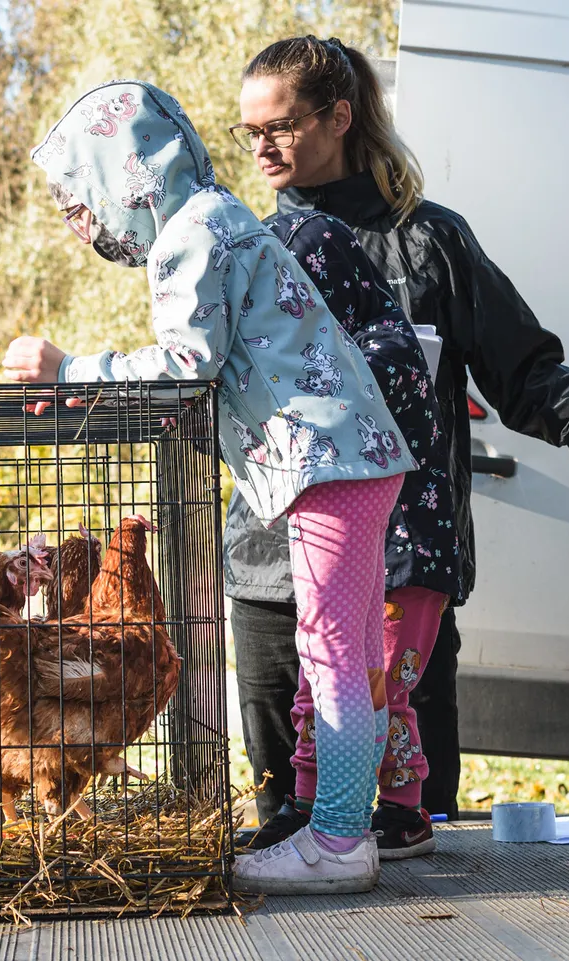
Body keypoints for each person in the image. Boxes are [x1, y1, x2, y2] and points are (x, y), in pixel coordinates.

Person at [232, 35, 569, 824]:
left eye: (280, 127)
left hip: (404, 570)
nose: (261, 147)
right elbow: (213, 403)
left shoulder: (432, 241)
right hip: (272, 577)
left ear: (339, 117)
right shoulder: (248, 254)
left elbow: (526, 373)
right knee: (288, 834)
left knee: (416, 834)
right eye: (249, 132)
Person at [3, 80, 416, 894]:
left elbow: (188, 363)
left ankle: (335, 840)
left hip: (320, 458)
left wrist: (71, 369)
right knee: (358, 648)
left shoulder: (187, 237)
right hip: (359, 455)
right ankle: (350, 830)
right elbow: (227, 360)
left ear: (123, 181)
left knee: (329, 649)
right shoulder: (220, 213)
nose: (82, 217)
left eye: (83, 197)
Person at [227, 198, 459, 862]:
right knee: (321, 675)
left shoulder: (366, 359)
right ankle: (309, 802)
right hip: (370, 545)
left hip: (405, 552)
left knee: (377, 679)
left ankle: (399, 811)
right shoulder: (331, 359)